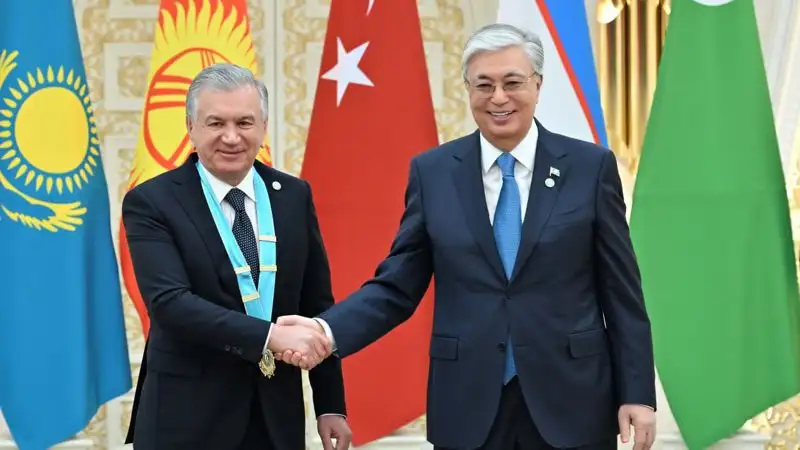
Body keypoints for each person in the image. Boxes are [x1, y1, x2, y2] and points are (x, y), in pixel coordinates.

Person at [277, 23, 657, 450]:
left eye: (512, 82)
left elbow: (621, 293)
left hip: (573, 401)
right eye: (484, 85)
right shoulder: (433, 173)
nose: (498, 97)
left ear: (537, 85)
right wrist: (326, 331)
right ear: (468, 90)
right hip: (468, 406)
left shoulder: (590, 168)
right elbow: (396, 287)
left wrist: (638, 393)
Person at [122, 63, 351, 450]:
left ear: (263, 127)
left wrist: (331, 405)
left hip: (275, 418)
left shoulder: (293, 196)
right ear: (191, 127)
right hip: (186, 419)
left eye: (245, 122)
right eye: (216, 123)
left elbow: (317, 307)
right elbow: (170, 304)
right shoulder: (152, 201)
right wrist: (270, 337)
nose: (231, 137)